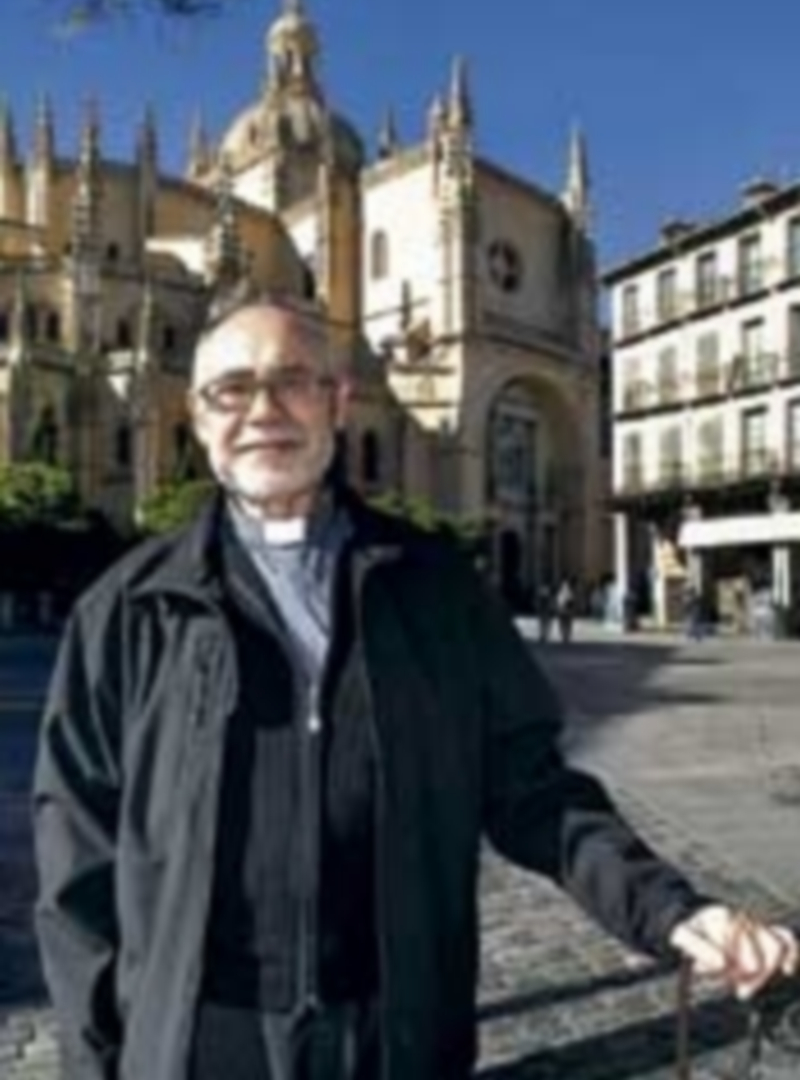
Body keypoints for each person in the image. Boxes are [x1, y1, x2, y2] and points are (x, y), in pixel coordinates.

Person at [33, 285, 798, 1080]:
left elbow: (534, 789)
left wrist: (675, 910)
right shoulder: (124, 611)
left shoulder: (438, 589)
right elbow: (76, 870)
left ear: (337, 401)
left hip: (393, 1035)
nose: (263, 410)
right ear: (197, 416)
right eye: (232, 389)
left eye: (293, 380)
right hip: (195, 1039)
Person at [555, 578, 576, 643]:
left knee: (564, 623)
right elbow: (572, 601)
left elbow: (559, 601)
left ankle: (565, 636)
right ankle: (566, 636)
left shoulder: (561, 591)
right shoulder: (569, 591)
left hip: (563, 610)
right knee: (567, 623)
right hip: (566, 610)